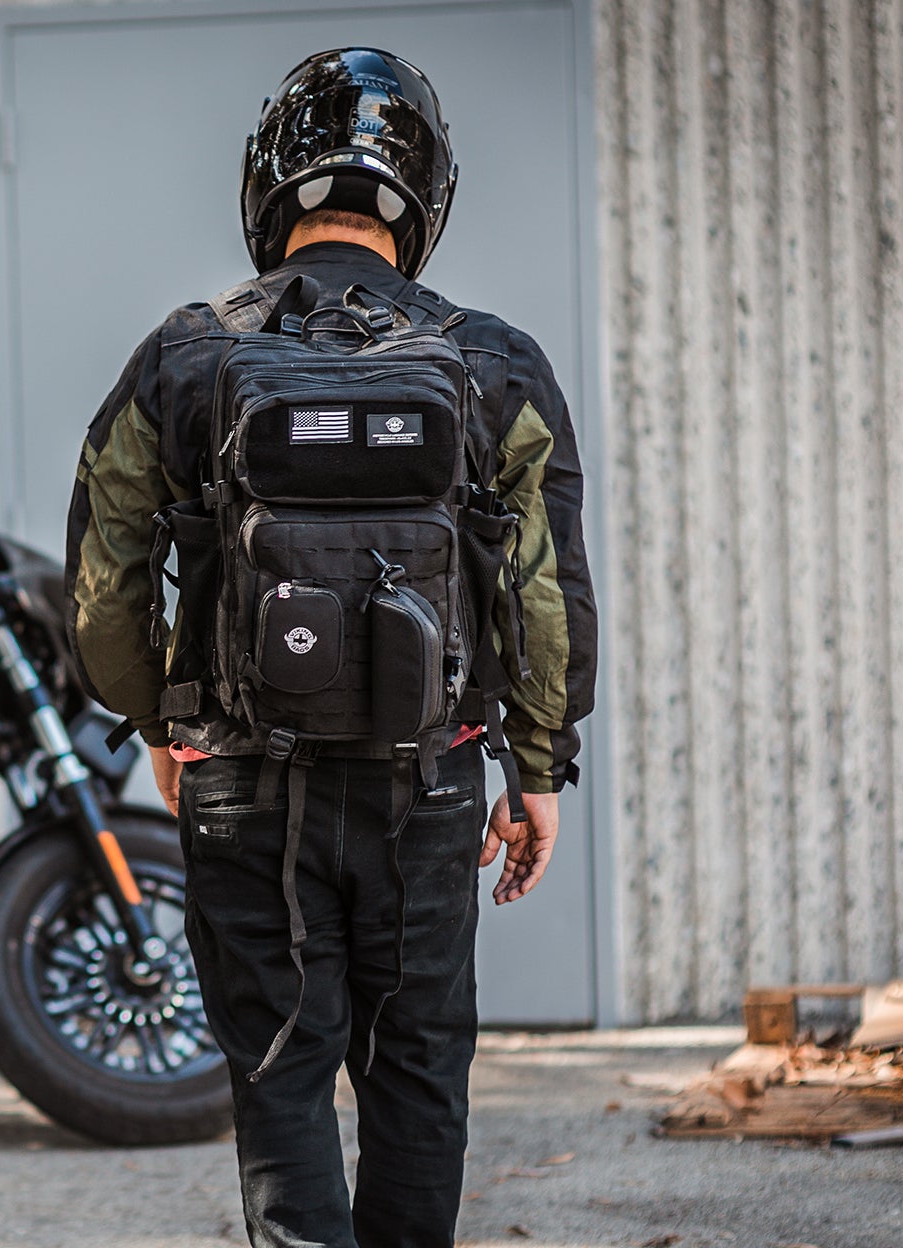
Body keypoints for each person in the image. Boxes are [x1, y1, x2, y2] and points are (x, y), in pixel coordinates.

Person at [63, 48, 597, 1248]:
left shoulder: (184, 355)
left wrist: (158, 722)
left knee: (279, 1070)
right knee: (417, 1068)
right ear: (424, 196)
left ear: (269, 185)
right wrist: (538, 769)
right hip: (430, 777)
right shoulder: (493, 361)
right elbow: (547, 591)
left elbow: (103, 582)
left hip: (240, 778)